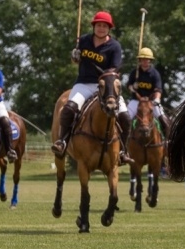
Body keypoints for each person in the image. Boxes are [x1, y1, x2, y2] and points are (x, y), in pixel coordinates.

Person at [51, 11, 134, 165]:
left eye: (104, 26)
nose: (101, 28)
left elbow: (114, 70)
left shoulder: (114, 46)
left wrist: (105, 80)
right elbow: (76, 60)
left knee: (125, 117)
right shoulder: (84, 40)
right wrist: (75, 56)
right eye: (98, 25)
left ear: (109, 28)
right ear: (94, 26)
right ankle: (62, 142)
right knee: (69, 109)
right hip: (84, 84)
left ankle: (123, 151)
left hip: (106, 87)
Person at [126, 47, 171, 138]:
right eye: (143, 59)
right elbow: (128, 86)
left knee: (163, 118)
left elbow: (158, 89)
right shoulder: (135, 72)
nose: (145, 61)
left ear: (150, 61)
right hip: (136, 101)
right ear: (140, 60)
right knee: (125, 118)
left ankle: (168, 140)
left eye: (147, 59)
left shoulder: (155, 74)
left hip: (151, 101)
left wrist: (157, 99)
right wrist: (132, 87)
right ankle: (122, 141)